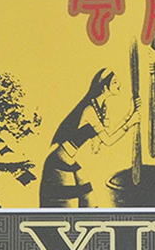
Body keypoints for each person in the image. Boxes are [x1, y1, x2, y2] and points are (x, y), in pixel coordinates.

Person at [39, 69, 139, 207]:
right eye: (115, 82)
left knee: (90, 202)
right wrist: (130, 123)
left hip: (70, 161)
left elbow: (108, 135)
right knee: (69, 206)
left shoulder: (102, 108)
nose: (119, 85)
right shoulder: (90, 110)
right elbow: (108, 140)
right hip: (59, 163)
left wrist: (129, 114)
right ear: (105, 88)